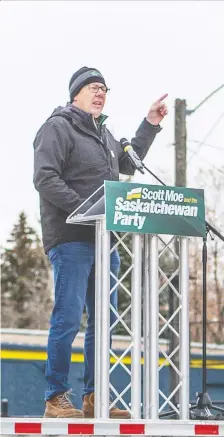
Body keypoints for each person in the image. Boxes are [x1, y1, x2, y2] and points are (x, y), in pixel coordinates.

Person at [33, 66, 168, 419]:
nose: (101, 93)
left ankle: (95, 398)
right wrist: (85, 211)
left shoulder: (104, 135)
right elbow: (44, 178)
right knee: (68, 317)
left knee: (102, 321)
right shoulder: (58, 127)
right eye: (94, 87)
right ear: (75, 93)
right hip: (71, 239)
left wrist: (150, 123)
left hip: (103, 241)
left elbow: (129, 160)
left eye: (105, 89)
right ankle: (56, 397)